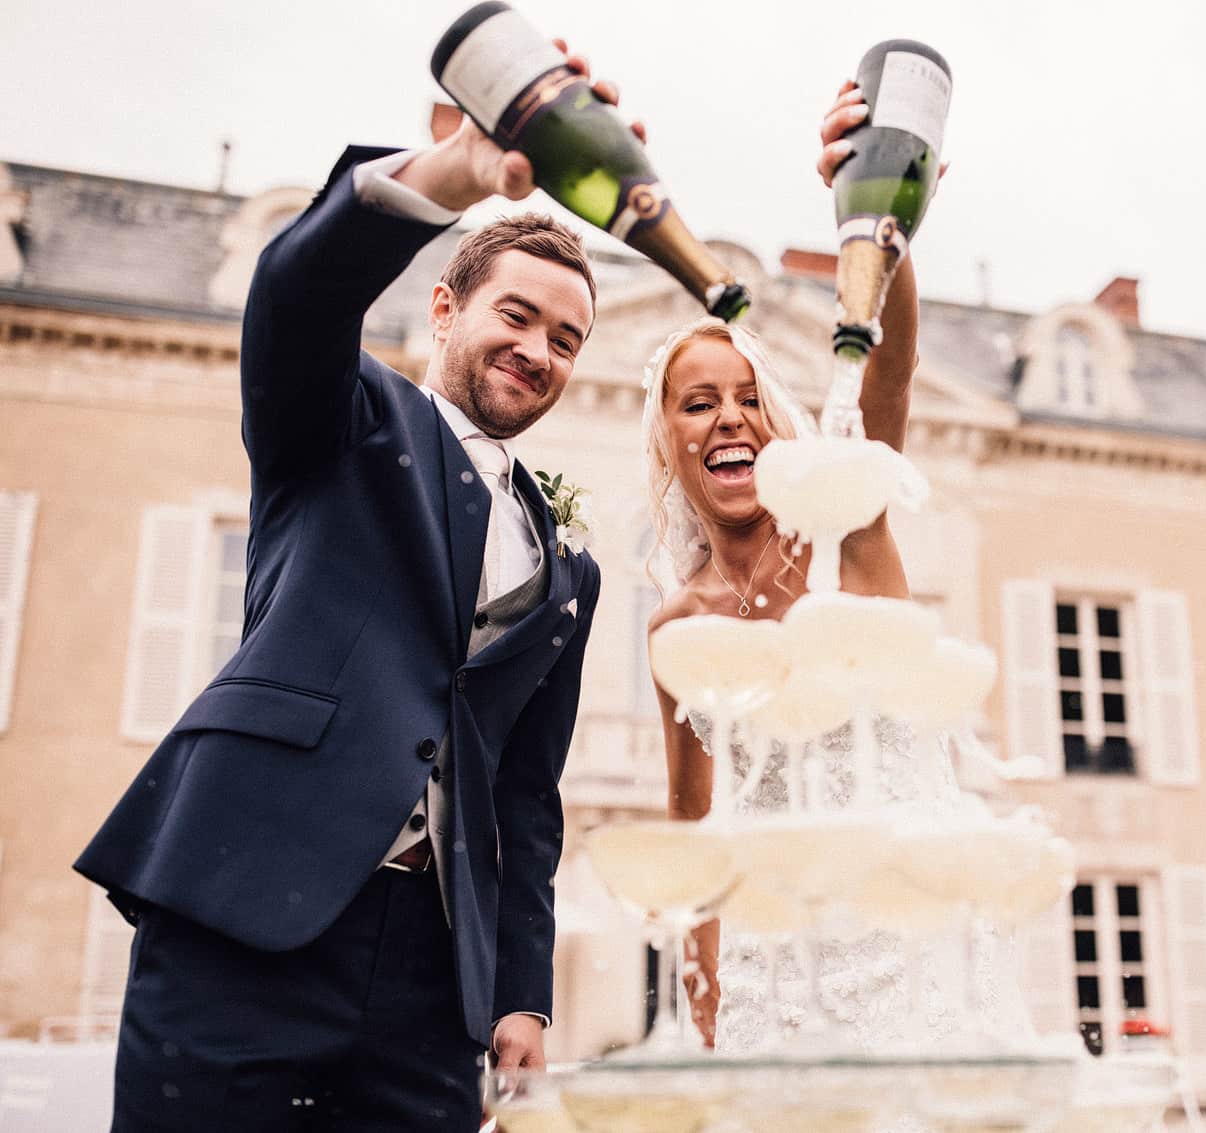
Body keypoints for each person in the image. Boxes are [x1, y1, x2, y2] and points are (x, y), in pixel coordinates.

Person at [73, 41, 624, 1130]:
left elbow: (526, 796)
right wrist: (460, 170)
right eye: (516, 315)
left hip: (431, 974)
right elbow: (300, 290)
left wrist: (520, 986)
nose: (538, 350)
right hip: (246, 913)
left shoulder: (572, 570)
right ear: (445, 308)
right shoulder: (348, 423)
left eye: (566, 339)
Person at [643, 79, 933, 1052]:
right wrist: (707, 988)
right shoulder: (675, 627)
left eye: (746, 397)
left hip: (909, 942)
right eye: (696, 402)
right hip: (774, 976)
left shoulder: (840, 521)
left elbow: (886, 372)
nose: (726, 415)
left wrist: (872, 219)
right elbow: (692, 825)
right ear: (670, 442)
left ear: (776, 421)